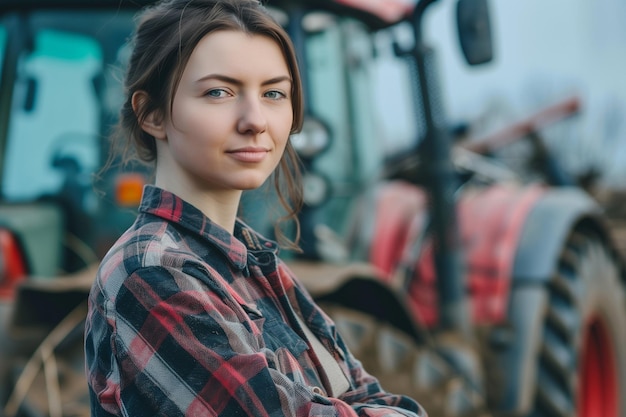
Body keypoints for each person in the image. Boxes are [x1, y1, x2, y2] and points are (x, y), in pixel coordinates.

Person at [84, 0, 427, 415]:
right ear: (152, 114)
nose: (256, 119)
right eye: (219, 92)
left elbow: (365, 395)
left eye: (273, 93)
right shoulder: (152, 272)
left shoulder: (256, 264)